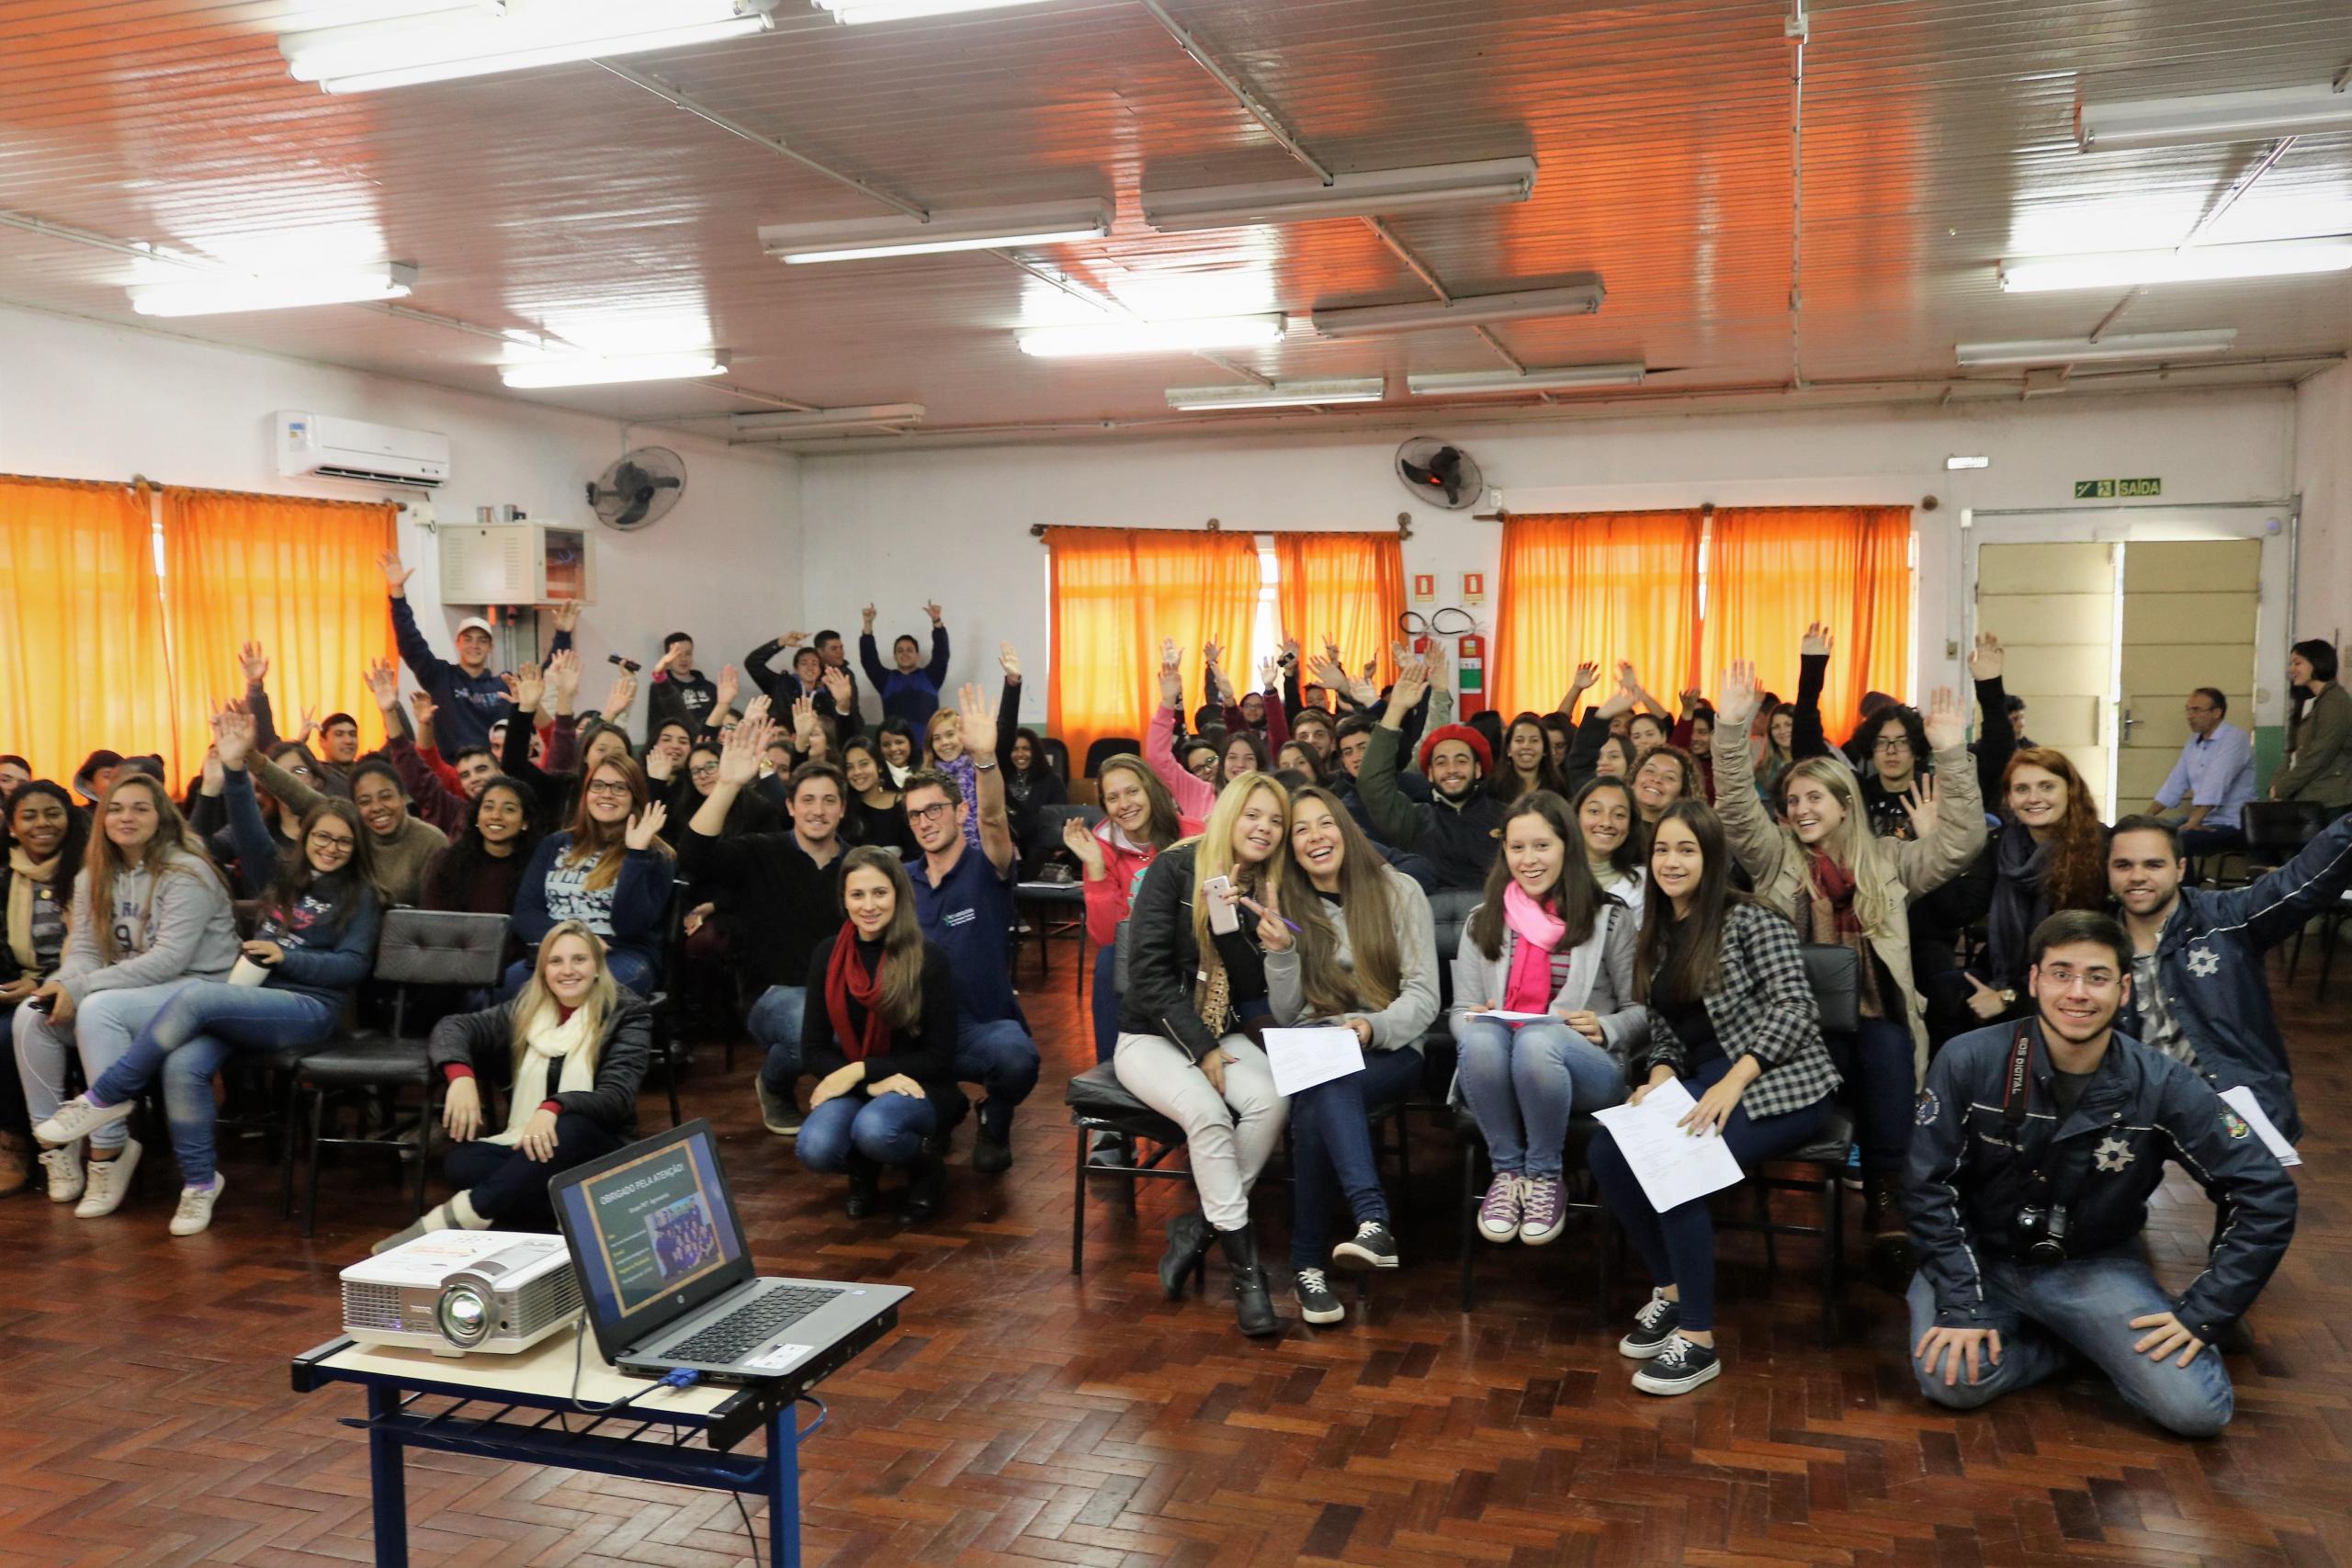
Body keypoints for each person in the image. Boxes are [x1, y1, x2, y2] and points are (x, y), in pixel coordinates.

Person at [1905, 911, 2295, 1438]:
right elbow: (1928, 1186)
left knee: (2197, 1411)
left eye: (2097, 977)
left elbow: (2266, 1192)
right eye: (2061, 973)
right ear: (2034, 981)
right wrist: (1960, 1302)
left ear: (2124, 989)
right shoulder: (1967, 1060)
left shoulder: (2164, 1082)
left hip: (2091, 1265)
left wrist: (2206, 1310)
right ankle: (2084, 1346)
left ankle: (2087, 1338)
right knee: (1951, 1381)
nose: (2078, 993)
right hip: (1978, 1258)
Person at [35, 707, 381, 1234]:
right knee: (183, 1064)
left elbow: (351, 968)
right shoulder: (282, 875)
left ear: (355, 849)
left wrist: (289, 958)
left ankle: (105, 1096)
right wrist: (236, 768)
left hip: (309, 1009)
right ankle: (200, 1184)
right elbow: (246, 825)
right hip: (248, 999)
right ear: (306, 838)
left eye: (342, 842)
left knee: (195, 996)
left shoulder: (363, 895)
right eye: (321, 837)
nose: (330, 848)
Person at [1710, 664, 1986, 1248]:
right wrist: (1730, 731)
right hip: (1795, 1029)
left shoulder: (1890, 861)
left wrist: (1951, 754)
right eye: (1792, 800)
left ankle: (1887, 1197)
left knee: (1886, 1045)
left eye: (1814, 797)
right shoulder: (1774, 858)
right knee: (1865, 1049)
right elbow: (1734, 808)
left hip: (1875, 1019)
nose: (1801, 808)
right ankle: (1882, 1180)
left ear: (1843, 804)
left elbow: (1962, 843)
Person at [1587, 801, 1839, 1395]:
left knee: (1676, 1163)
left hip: (1780, 1081)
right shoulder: (1657, 932)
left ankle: (1698, 1341)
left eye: (1687, 849)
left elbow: (1796, 1008)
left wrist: (1735, 1080)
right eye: (1662, 849)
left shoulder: (1752, 917)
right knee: (1607, 1151)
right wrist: (1659, 1074)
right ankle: (1674, 1291)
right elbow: (1667, 1028)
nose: (1671, 861)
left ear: (1712, 857)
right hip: (1703, 1081)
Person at [13, 773, 240, 1216]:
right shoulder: (92, 875)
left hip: (199, 988)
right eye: (115, 809)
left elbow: (169, 960)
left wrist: (80, 987)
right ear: (102, 818)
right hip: (130, 989)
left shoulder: (187, 870)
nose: (126, 817)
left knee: (99, 1009)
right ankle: (53, 1146)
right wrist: (63, 983)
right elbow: (83, 950)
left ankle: (109, 1151)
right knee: (33, 1014)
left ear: (161, 817)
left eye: (140, 808)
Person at [1115, 771, 1291, 1337]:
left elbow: (1248, 988)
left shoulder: (1263, 884)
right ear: (1231, 812)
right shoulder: (1174, 866)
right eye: (1253, 815)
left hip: (1220, 1029)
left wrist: (1239, 927)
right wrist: (1203, 1048)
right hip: (1150, 1037)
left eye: (1276, 821)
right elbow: (1146, 975)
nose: (1264, 829)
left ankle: (1200, 1229)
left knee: (1272, 1097)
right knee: (1210, 1115)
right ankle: (1248, 1278)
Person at [374, 922, 651, 1248]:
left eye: (579, 959)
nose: (567, 971)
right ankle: (571, 1213)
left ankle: (464, 1216)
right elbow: (454, 1027)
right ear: (544, 970)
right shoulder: (528, 1007)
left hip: (596, 1146)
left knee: (568, 1127)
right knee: (462, 1164)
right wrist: (460, 1076)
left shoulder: (627, 1012)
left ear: (597, 967)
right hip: (533, 1145)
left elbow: (616, 1097)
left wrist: (554, 1107)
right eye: (556, 961)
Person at [1450, 789, 1644, 1250]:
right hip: (1501, 1063)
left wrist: (1607, 1027)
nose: (1529, 859)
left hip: (1588, 1065)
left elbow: (1642, 1011)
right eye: (1517, 847)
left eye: (1542, 846)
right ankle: (1507, 1173)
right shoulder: (1483, 920)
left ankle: (1544, 1177)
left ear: (1566, 846)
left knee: (1538, 1039)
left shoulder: (1608, 917)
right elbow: (1460, 1012)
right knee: (1481, 1037)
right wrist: (1475, 1022)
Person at [2109, 809, 2352, 1147]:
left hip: (2229, 1106)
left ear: (2180, 869)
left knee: (2256, 1178)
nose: (2137, 876)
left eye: (2154, 865)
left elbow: (2298, 882)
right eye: (2123, 865)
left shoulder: (2226, 918)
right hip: (2140, 1109)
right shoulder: (2097, 944)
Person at [680, 708, 849, 1141]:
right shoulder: (760, 851)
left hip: (841, 991)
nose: (817, 810)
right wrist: (727, 785)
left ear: (842, 809)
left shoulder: (857, 865)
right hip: (770, 996)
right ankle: (774, 1084)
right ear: (790, 806)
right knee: (812, 1024)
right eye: (807, 800)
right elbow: (694, 857)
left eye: (829, 800)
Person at [903, 684, 1039, 1172]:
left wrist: (984, 759)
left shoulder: (988, 867)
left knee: (1017, 1060)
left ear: (960, 812)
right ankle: (944, 1108)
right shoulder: (902, 881)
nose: (925, 822)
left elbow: (995, 819)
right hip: (920, 1030)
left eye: (934, 810)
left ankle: (995, 1116)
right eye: (915, 814)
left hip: (982, 1023)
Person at [797, 847, 961, 1220]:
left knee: (876, 1129)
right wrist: (869, 1084)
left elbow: (939, 1059)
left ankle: (926, 1169)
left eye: (880, 893)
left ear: (898, 895)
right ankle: (864, 1169)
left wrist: (861, 1070)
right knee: (815, 1148)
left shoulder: (928, 958)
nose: (869, 906)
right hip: (863, 1085)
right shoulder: (828, 955)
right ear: (844, 899)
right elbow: (813, 1049)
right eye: (857, 894)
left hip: (920, 1084)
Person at [1063, 755, 1196, 1099]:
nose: (1124, 804)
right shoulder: (1100, 847)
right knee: (1109, 961)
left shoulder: (1194, 835)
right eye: (1112, 797)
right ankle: (1112, 1087)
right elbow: (1107, 936)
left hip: (1192, 954)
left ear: (1150, 789)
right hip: (1139, 959)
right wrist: (1095, 868)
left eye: (1132, 791)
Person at [378, 549, 573, 754]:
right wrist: (397, 594)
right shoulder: (440, 677)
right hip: (452, 771)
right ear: (458, 643)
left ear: (490, 647)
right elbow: (411, 643)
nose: (475, 645)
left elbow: (547, 674)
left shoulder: (505, 684)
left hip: (498, 770)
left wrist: (563, 633)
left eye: (482, 640)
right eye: (468, 639)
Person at [510, 755, 674, 995]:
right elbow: (525, 911)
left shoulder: (656, 855)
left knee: (586, 989)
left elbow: (629, 925)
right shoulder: (555, 843)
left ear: (635, 797)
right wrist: (573, 940)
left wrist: (636, 853)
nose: (607, 794)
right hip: (557, 948)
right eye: (598, 785)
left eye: (619, 788)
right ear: (586, 793)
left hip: (620, 953)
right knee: (507, 983)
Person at [1967, 749, 2107, 1025]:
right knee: (1945, 992)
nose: (2033, 798)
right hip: (2006, 970)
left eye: (2046, 787)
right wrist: (1935, 842)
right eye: (2022, 789)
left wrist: (2009, 997)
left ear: (2070, 791)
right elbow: (1958, 908)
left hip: (2074, 979)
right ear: (2009, 798)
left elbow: (2086, 949)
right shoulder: (2002, 845)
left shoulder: (2102, 847)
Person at [0, 782, 88, 1193]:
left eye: (53, 813)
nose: (42, 824)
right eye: (29, 816)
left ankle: (17, 1143)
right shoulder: (5, 876)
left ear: (69, 818)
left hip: (80, 984)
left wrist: (42, 982)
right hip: (17, 983)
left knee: (6, 1035)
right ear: (12, 827)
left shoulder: (90, 870)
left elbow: (95, 945)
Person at [1358, 656, 1508, 891]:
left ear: (1478, 769)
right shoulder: (1414, 819)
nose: (1451, 769)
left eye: (1461, 760)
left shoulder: (1507, 817)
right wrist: (1396, 708)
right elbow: (1373, 784)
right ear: (1429, 774)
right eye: (1441, 762)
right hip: (1429, 912)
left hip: (1494, 910)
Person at [251, 745, 447, 909]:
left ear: (404, 797)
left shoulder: (431, 841)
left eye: (386, 797)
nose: (377, 807)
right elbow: (298, 795)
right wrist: (250, 755)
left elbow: (436, 916)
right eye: (365, 801)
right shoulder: (350, 825)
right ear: (355, 806)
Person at [2150, 689, 2256, 858]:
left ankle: (2185, 877)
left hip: (2232, 822)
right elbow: (2175, 782)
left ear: (2217, 713)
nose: (2190, 716)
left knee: (2179, 840)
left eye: (2196, 710)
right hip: (2205, 818)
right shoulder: (2193, 741)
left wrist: (2192, 823)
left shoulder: (2234, 739)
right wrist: (2145, 818)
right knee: (2154, 834)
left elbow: (2216, 783)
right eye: (2188, 710)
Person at [2274, 638, 2351, 816]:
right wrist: (2278, 784)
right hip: (2307, 796)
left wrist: (2283, 787)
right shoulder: (2310, 701)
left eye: (2297, 663)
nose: (2291, 670)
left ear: (2317, 662)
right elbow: (2293, 751)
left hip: (2330, 800)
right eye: (2291, 664)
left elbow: (2319, 755)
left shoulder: (2335, 702)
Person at [860, 600, 951, 728]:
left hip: (928, 740)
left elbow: (942, 654)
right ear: (895, 656)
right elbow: (869, 660)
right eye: (900, 651)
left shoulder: (931, 677)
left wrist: (937, 621)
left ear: (917, 655)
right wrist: (868, 624)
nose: (905, 654)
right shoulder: (885, 680)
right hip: (894, 740)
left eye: (909, 650)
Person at [1488, 712, 1570, 804]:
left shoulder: (1559, 787)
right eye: (1519, 740)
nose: (1526, 746)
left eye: (1534, 740)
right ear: (1508, 750)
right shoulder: (1493, 788)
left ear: (1545, 749)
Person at [648, 633, 719, 736]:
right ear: (667, 657)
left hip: (707, 741)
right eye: (678, 654)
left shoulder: (709, 688)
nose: (683, 659)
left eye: (688, 654)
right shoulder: (660, 688)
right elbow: (654, 725)